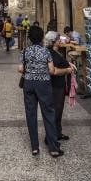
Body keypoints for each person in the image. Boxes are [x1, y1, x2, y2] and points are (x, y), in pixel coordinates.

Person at [18, 25, 65, 158]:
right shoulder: (45, 52)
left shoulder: (25, 51)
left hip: (29, 84)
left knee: (31, 114)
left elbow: (20, 69)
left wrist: (30, 70)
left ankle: (34, 147)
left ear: (30, 38)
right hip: (43, 84)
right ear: (41, 38)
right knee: (49, 114)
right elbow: (51, 70)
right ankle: (53, 148)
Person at [45, 31, 76, 141]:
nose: (60, 40)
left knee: (59, 110)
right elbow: (53, 71)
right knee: (55, 112)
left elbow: (62, 61)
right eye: (58, 39)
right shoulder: (50, 54)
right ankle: (50, 137)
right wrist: (67, 70)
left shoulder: (57, 52)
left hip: (61, 85)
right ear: (53, 42)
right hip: (55, 86)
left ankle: (58, 133)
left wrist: (69, 64)